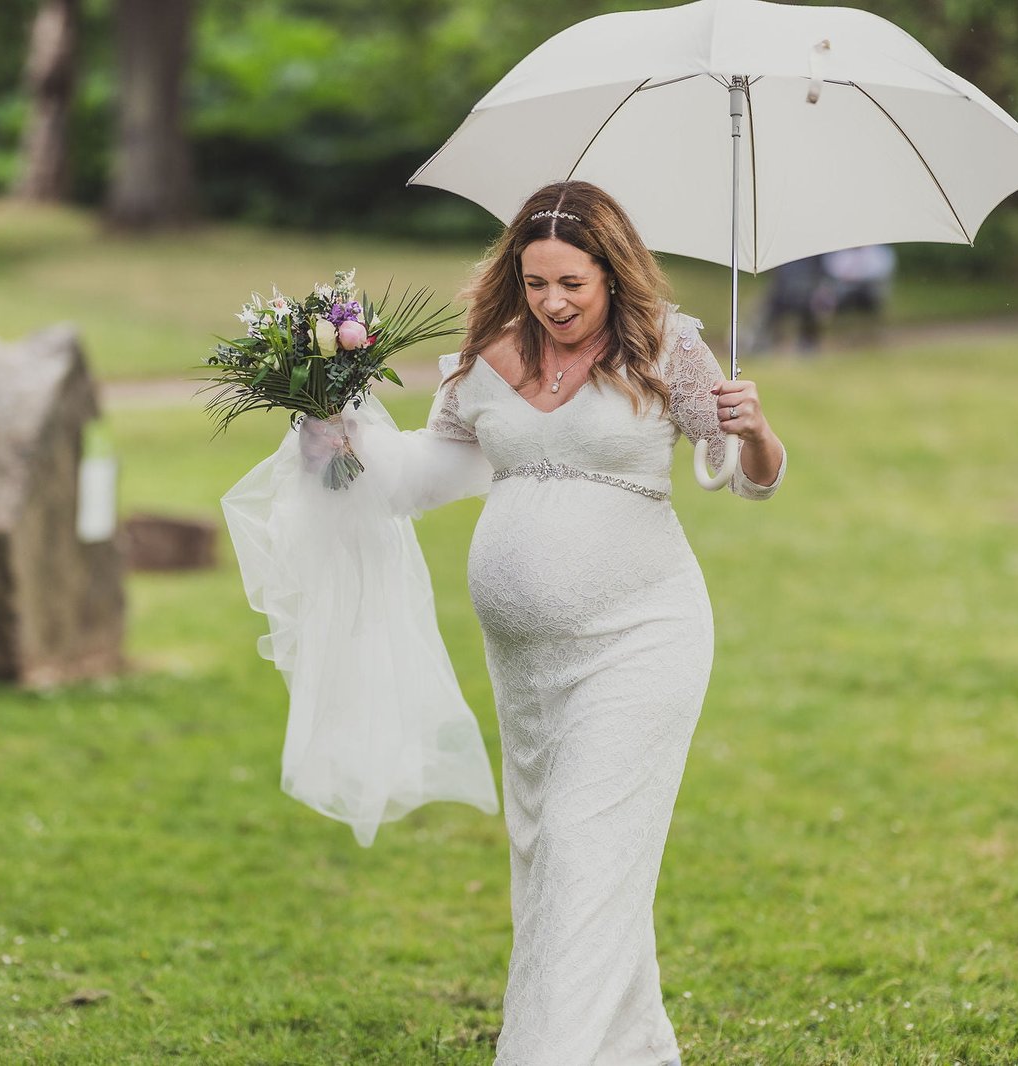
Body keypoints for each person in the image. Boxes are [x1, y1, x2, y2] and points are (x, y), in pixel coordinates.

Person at [281, 180, 786, 1063]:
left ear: (613, 274)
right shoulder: (486, 358)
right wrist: (343, 434)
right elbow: (420, 481)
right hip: (525, 662)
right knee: (554, 862)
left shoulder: (669, 347)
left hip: (642, 637)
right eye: (536, 281)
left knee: (584, 855)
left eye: (572, 285)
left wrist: (757, 432)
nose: (552, 302)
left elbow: (750, 479)